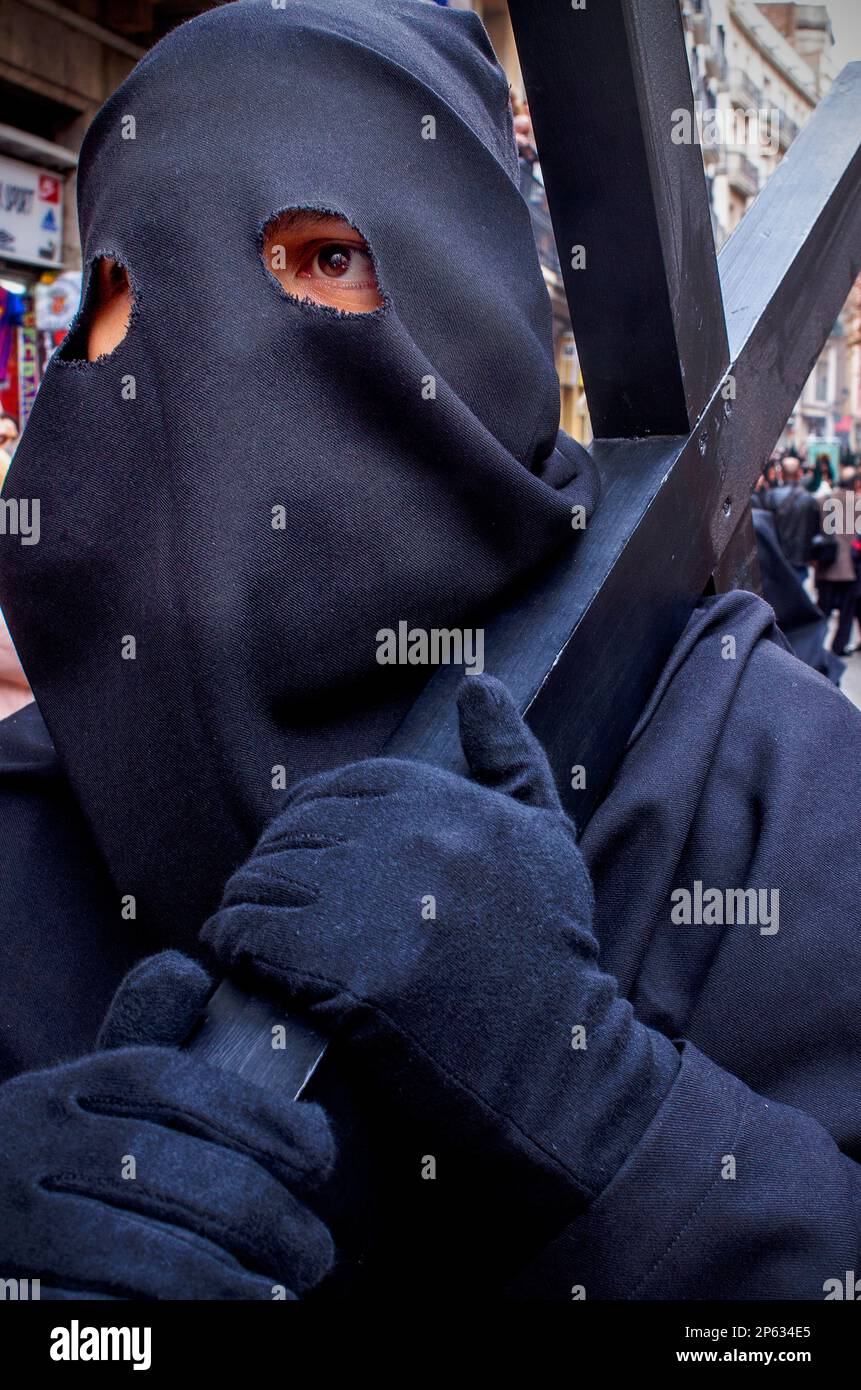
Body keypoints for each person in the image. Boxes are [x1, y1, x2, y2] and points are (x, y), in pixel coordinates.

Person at [0, 0, 857, 1302]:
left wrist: (608, 1118)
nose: (196, 343)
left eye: (318, 255)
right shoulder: (17, 823)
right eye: (123, 288)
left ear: (469, 297)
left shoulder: (772, 787)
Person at [817, 466, 860, 656]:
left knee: (823, 611)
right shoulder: (858, 503)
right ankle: (838, 646)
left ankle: (816, 646)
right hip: (850, 567)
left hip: (827, 564)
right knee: (846, 612)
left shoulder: (823, 500)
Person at [761, 454, 821, 582]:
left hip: (776, 561)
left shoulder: (770, 497)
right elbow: (816, 532)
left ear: (781, 473)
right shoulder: (809, 500)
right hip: (800, 561)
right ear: (799, 473)